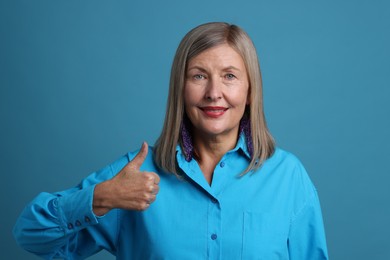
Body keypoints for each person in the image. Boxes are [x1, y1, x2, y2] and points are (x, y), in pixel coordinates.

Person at [14, 22, 329, 259]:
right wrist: (102, 197)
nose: (213, 93)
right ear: (181, 89)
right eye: (198, 76)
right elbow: (29, 234)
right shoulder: (133, 176)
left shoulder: (289, 177)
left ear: (250, 91)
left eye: (229, 76)